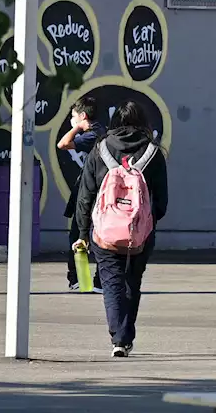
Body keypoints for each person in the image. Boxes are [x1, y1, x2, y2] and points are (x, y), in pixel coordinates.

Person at [73, 101, 169, 357]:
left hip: (104, 231)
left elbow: (86, 194)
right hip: (141, 232)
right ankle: (125, 337)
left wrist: (82, 233)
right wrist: (148, 222)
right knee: (132, 281)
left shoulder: (100, 149)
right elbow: (162, 201)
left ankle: (119, 338)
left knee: (112, 281)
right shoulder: (153, 153)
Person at [58, 95, 105, 292]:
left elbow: (63, 144)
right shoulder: (101, 131)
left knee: (79, 233)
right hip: (92, 190)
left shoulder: (93, 134)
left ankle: (79, 279)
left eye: (74, 116)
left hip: (89, 193)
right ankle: (87, 279)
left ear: (83, 116)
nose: (72, 119)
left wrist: (76, 127)